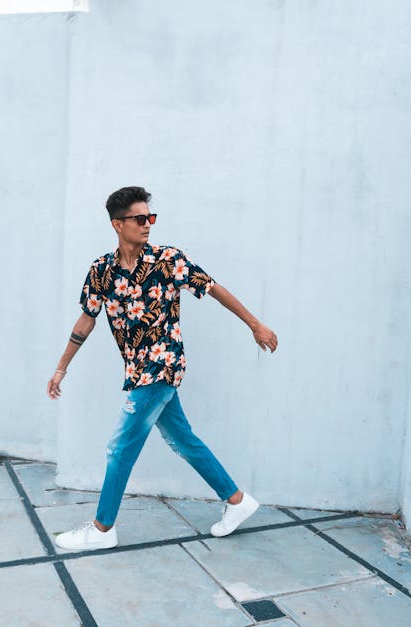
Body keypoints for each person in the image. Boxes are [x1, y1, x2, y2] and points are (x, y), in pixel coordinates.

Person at [46, 186, 278, 551]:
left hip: (162, 365)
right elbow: (86, 320)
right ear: (117, 224)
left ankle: (103, 529)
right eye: (140, 219)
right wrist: (61, 369)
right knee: (183, 440)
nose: (147, 224)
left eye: (150, 217)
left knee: (120, 448)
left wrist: (254, 323)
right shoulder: (101, 271)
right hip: (136, 368)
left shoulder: (168, 259)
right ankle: (236, 500)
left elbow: (212, 287)